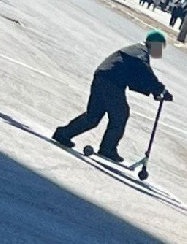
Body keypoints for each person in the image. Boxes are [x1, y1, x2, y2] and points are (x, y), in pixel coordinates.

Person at [52, 30, 173, 162]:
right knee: (120, 114)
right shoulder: (140, 52)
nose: (160, 51)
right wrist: (160, 89)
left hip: (103, 77)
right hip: (111, 81)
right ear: (155, 44)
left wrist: (155, 92)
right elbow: (144, 72)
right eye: (160, 47)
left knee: (93, 116)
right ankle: (107, 149)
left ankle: (63, 134)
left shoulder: (137, 50)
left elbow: (135, 78)